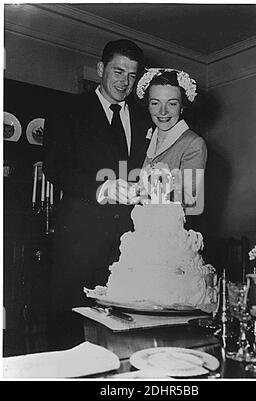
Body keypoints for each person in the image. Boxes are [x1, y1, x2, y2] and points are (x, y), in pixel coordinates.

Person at [43, 39, 151, 349]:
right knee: (69, 325)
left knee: (120, 330)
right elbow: (55, 167)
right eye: (118, 71)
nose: (124, 82)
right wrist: (101, 188)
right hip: (78, 240)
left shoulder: (145, 118)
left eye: (132, 75)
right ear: (101, 69)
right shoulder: (67, 109)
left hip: (127, 244)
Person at [135, 68, 207, 214]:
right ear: (148, 105)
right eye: (155, 103)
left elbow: (186, 200)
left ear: (181, 108)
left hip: (170, 230)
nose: (163, 111)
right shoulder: (143, 138)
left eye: (172, 104)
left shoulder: (193, 144)